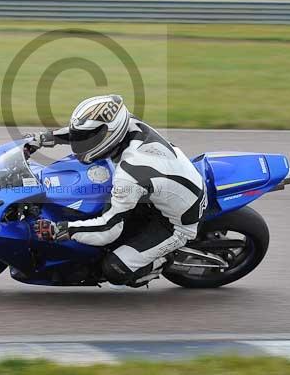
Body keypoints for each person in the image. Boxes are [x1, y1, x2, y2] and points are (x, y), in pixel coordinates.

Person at [26, 94, 207, 287]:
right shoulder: (125, 123)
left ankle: (164, 259)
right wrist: (46, 138)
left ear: (110, 134)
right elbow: (83, 132)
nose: (79, 144)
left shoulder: (130, 173)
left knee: (114, 269)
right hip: (162, 190)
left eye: (88, 138)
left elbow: (108, 229)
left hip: (174, 223)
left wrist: (61, 230)